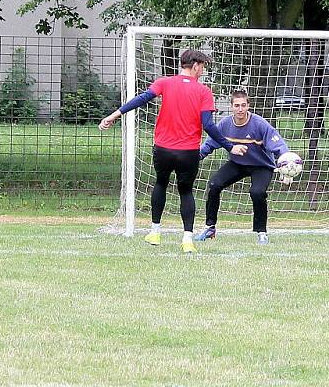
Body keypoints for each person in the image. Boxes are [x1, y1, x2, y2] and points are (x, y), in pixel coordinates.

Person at [99, 50, 234, 253]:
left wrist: (114, 115)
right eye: (203, 67)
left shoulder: (164, 82)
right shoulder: (204, 91)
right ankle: (187, 239)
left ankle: (155, 232)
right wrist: (230, 146)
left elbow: (142, 99)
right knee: (186, 191)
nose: (202, 71)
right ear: (195, 65)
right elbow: (208, 125)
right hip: (188, 152)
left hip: (163, 149)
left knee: (160, 183)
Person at [195, 89, 292, 245]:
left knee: (257, 192)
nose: (240, 109)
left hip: (261, 166)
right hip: (237, 164)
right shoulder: (225, 124)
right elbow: (210, 143)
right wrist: (196, 157)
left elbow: (279, 145)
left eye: (243, 105)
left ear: (248, 106)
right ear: (231, 107)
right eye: (237, 105)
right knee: (214, 185)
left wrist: (286, 164)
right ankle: (210, 227)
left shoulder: (259, 124)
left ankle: (261, 233)